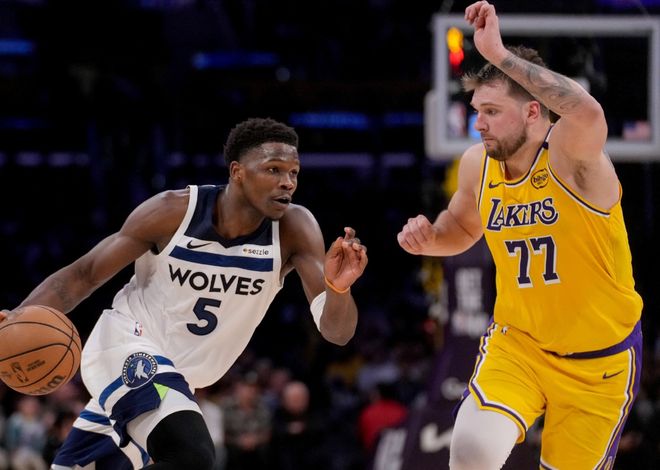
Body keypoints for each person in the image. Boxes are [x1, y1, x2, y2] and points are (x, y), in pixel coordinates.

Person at [0, 116, 368, 469]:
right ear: (237, 172)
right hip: (127, 347)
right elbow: (83, 275)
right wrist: (16, 320)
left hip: (176, 380)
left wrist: (338, 288)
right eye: (273, 169)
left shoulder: (295, 229)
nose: (287, 182)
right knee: (190, 456)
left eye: (293, 173)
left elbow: (337, 333)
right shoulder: (173, 211)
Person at [397, 2, 643, 469]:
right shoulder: (477, 164)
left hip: (598, 362)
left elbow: (589, 113)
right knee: (472, 451)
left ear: (533, 111)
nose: (479, 123)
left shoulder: (572, 156)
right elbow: (462, 227)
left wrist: (500, 55)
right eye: (477, 110)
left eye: (492, 111)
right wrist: (431, 239)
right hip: (520, 345)